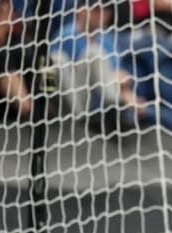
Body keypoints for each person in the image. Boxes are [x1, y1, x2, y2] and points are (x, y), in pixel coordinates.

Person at [50, 0, 147, 136]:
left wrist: (129, 98)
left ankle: (114, 112)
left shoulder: (107, 41)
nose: (102, 15)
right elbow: (47, 73)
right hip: (67, 102)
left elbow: (118, 76)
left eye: (106, 11)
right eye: (96, 10)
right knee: (59, 58)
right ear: (81, 10)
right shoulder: (64, 36)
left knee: (95, 53)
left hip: (97, 103)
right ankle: (83, 119)